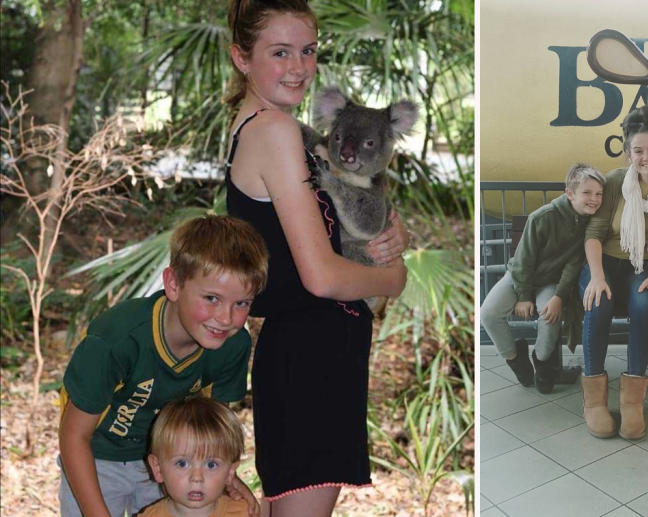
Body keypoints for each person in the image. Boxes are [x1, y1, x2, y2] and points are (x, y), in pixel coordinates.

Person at [223, 1, 407, 515]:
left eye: (307, 51)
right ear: (242, 58)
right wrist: (393, 277)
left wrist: (392, 235)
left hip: (313, 351)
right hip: (312, 354)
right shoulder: (275, 131)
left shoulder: (270, 127)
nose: (299, 67)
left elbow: (331, 226)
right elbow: (321, 276)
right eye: (279, 53)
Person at [58, 216, 267, 517]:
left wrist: (228, 479)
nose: (226, 318)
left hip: (174, 462)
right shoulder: (117, 340)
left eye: (242, 304)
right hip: (96, 458)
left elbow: (209, 431)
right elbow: (74, 437)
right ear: (173, 284)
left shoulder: (232, 346)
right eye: (211, 298)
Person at [578, 106, 648, 439]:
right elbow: (594, 235)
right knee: (596, 305)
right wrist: (597, 277)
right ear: (629, 154)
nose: (646, 157)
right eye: (638, 151)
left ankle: (632, 402)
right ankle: (595, 401)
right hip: (606, 263)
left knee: (644, 307)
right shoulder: (613, 182)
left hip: (646, 267)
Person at [478, 163, 604, 393]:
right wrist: (523, 296)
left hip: (550, 283)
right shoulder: (543, 217)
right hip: (520, 276)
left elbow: (573, 265)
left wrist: (558, 296)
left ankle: (543, 363)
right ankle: (516, 358)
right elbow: (523, 259)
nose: (594, 199)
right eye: (587, 193)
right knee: (488, 314)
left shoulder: (590, 223)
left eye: (598, 194)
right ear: (570, 193)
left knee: (549, 314)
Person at [140, 397, 251, 516]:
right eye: (182, 463)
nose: (197, 477)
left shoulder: (242, 512)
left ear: (230, 472)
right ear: (157, 468)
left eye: (211, 465)